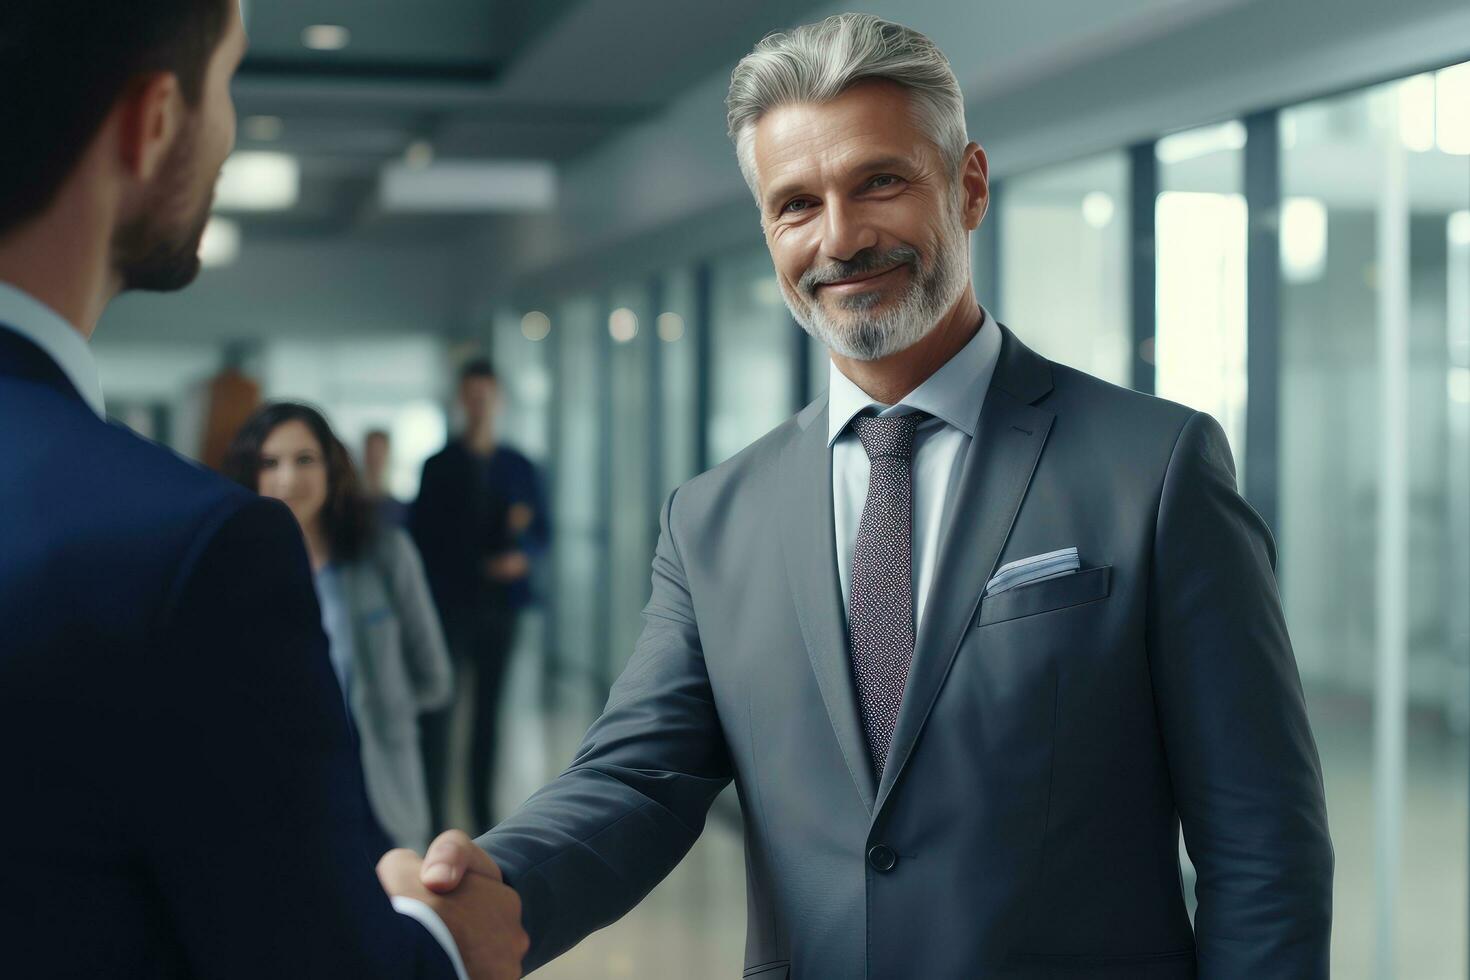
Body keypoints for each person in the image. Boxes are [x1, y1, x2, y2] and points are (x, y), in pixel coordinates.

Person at [419, 14, 1334, 979]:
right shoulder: (714, 519)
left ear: (969, 185)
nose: (841, 238)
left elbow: (1263, 844)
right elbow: (638, 778)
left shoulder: (1155, 468)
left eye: (880, 182)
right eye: (796, 204)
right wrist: (491, 889)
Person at [0, 2, 526, 976]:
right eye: (226, 84)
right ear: (153, 122)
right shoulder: (187, 551)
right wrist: (450, 947)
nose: (230, 133)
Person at [223, 403, 455, 853]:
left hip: (380, 800)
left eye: (304, 459)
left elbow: (434, 679)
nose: (288, 478)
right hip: (278, 804)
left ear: (332, 468)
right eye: (270, 463)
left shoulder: (386, 553)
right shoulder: (234, 572)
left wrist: (381, 708)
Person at [411, 358, 550, 832]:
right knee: (439, 718)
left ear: (499, 401)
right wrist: (475, 563)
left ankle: (483, 823)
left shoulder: (519, 467)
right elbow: (424, 542)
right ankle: (434, 825)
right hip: (450, 607)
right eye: (470, 397)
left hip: (501, 609)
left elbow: (542, 532)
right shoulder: (438, 468)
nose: (478, 406)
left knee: (488, 718)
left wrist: (522, 554)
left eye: (485, 397)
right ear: (459, 401)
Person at [364, 427, 411, 528]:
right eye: (372, 451)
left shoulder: (399, 507)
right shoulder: (350, 503)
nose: (375, 458)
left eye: (380, 451)